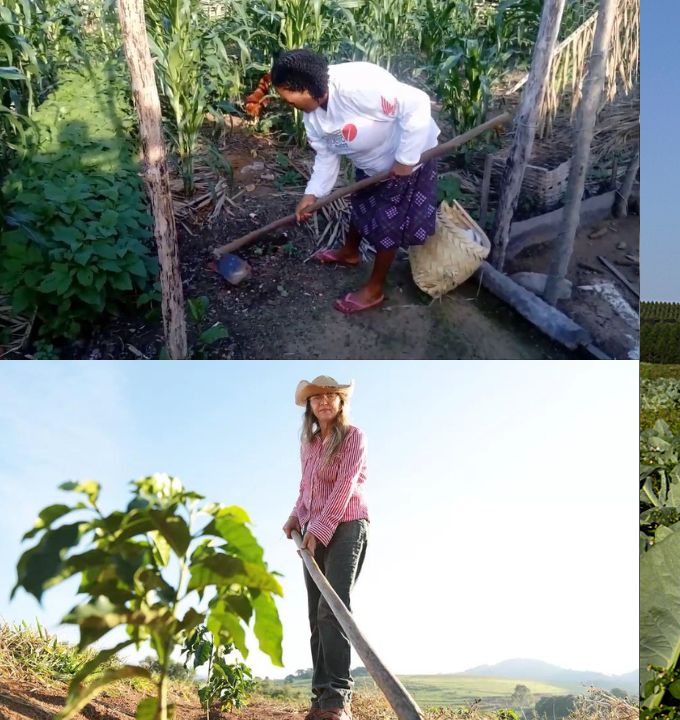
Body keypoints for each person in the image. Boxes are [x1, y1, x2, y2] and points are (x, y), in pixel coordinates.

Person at [271, 49, 442, 314]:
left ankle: (374, 289)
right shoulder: (313, 116)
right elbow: (327, 154)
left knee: (388, 223)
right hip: (371, 166)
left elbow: (417, 103)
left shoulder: (358, 86)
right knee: (360, 208)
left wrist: (405, 160)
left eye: (290, 99)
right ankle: (350, 253)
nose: (289, 105)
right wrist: (312, 194)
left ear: (308, 88)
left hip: (405, 163)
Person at [282, 375, 369, 720]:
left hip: (346, 526)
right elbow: (306, 490)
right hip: (310, 532)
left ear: (340, 402)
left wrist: (318, 528)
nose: (324, 402)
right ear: (310, 407)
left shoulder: (353, 437)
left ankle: (337, 699)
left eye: (331, 396)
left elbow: (344, 485)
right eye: (317, 397)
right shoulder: (310, 445)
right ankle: (320, 700)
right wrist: (294, 517)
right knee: (314, 614)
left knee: (332, 609)